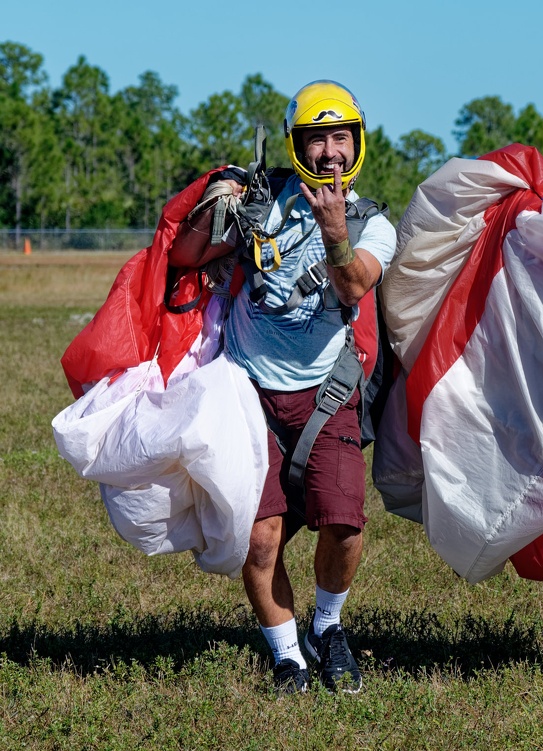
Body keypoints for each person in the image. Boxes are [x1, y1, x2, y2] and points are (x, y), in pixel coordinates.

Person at [168, 80, 396, 695]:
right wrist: (213, 202)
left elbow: (353, 288)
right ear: (296, 145)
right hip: (247, 391)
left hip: (325, 392)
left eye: (340, 138)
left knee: (345, 525)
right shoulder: (258, 205)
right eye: (317, 138)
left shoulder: (374, 222)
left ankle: (327, 626)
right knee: (260, 536)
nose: (329, 152)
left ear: (358, 144)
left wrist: (335, 231)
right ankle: (288, 655)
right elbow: (183, 254)